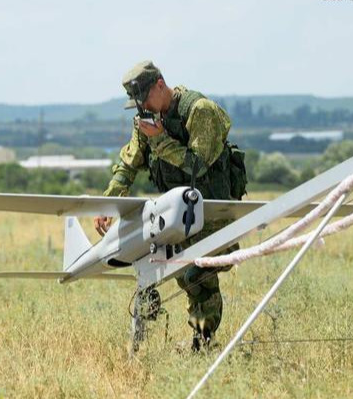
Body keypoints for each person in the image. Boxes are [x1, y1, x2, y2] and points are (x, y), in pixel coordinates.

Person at [94, 60, 247, 351]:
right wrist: (110, 200)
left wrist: (161, 140)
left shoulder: (199, 111)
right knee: (172, 273)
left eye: (145, 98)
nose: (143, 107)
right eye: (137, 103)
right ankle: (198, 343)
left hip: (213, 215)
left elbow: (197, 166)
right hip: (178, 218)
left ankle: (203, 344)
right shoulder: (146, 120)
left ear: (161, 85)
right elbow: (129, 163)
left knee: (197, 275)